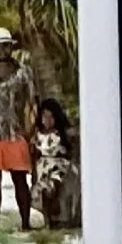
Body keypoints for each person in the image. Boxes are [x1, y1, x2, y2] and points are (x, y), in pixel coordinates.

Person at [0, 26, 37, 228]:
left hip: (15, 131)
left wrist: (31, 128)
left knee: (20, 180)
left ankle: (26, 223)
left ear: (10, 47)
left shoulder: (23, 71)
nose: (1, 50)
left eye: (5, 46)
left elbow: (32, 101)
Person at [33, 96, 81, 232]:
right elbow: (35, 153)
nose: (47, 120)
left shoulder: (61, 134)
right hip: (43, 167)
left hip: (57, 167)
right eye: (44, 116)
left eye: (51, 117)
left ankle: (57, 218)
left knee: (52, 190)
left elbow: (68, 151)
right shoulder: (37, 134)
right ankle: (48, 221)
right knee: (43, 194)